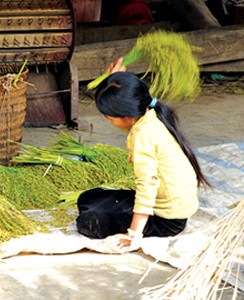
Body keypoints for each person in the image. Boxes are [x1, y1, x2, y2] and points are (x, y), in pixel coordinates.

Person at [76, 58, 211, 251]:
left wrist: (133, 234)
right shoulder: (150, 112)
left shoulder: (143, 137)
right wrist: (112, 79)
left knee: (88, 222)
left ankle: (136, 225)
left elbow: (147, 185)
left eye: (110, 117)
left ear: (127, 117)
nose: (108, 120)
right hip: (168, 205)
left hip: (167, 220)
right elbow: (129, 94)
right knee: (88, 198)